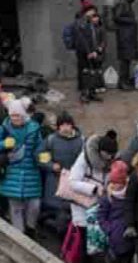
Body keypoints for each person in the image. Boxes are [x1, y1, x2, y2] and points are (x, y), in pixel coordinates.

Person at [68, 130, 118, 263]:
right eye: (107, 155)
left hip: (99, 208)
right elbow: (72, 182)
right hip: (83, 207)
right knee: (85, 243)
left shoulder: (111, 161)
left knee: (98, 245)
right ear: (100, 151)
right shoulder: (84, 159)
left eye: (112, 155)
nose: (109, 158)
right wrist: (94, 189)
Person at [0, 99, 42, 237]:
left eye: (17, 115)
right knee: (15, 207)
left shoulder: (34, 128)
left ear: (23, 115)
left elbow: (41, 147)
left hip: (31, 171)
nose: (14, 118)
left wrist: (44, 157)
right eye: (12, 116)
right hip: (12, 171)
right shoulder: (5, 128)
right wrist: (4, 144)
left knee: (34, 205)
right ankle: (20, 236)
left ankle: (31, 228)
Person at [98, 160, 138, 263]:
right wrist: (108, 229)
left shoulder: (129, 196)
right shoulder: (107, 198)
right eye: (112, 183)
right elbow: (101, 216)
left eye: (118, 183)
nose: (115, 186)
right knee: (113, 262)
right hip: (114, 237)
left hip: (127, 236)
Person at [37, 111, 84, 234]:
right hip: (54, 181)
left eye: (67, 125)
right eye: (62, 125)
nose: (65, 128)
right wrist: (51, 165)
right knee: (53, 208)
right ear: (58, 127)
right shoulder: (51, 140)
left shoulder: (81, 141)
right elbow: (40, 155)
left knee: (70, 210)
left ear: (72, 125)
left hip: (73, 181)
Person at [74, 1, 104, 103]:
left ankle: (92, 92)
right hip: (84, 52)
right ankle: (84, 94)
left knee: (93, 73)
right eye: (91, 11)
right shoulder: (81, 23)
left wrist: (96, 50)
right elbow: (82, 40)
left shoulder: (92, 23)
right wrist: (88, 52)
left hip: (93, 51)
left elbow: (96, 38)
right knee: (85, 73)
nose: (93, 14)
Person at [113, 0, 138, 90]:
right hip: (124, 36)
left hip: (127, 35)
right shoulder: (123, 3)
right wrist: (132, 21)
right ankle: (123, 82)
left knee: (127, 59)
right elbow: (117, 17)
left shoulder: (126, 3)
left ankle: (125, 81)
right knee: (125, 60)